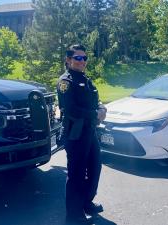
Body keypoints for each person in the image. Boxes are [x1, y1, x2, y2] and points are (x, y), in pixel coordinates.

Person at [57, 44, 107, 223]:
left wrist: (100, 107)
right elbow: (70, 109)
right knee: (76, 173)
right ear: (68, 60)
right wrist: (95, 114)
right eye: (78, 58)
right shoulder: (66, 81)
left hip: (89, 131)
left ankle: (86, 202)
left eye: (84, 58)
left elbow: (94, 99)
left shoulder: (85, 79)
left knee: (95, 167)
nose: (82, 61)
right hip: (75, 133)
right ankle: (74, 215)